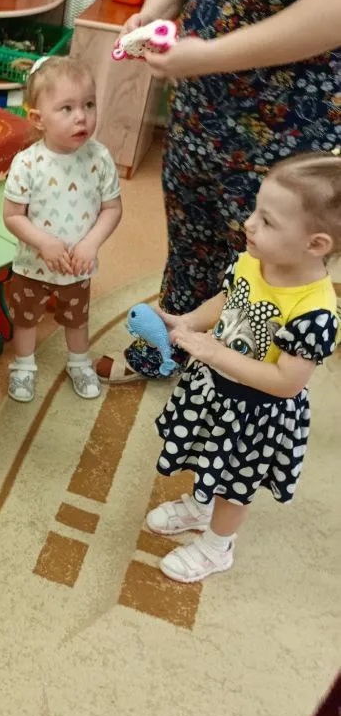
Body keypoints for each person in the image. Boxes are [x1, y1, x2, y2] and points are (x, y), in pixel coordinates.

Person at [97, 0, 341, 386]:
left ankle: (233, 388)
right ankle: (171, 346)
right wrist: (156, 11)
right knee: (192, 237)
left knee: (264, 265)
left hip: (287, 127)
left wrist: (205, 54)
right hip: (203, 106)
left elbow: (334, 8)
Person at [144, 152, 339, 582]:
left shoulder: (316, 311)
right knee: (205, 452)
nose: (249, 224)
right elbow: (228, 299)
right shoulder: (253, 259)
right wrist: (189, 321)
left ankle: (218, 547)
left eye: (267, 221)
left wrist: (216, 354)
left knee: (235, 483)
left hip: (257, 415)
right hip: (217, 389)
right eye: (255, 210)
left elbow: (287, 383)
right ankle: (200, 506)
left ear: (316, 244)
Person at [2, 56, 122, 403]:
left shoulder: (100, 157)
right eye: (67, 108)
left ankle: (79, 362)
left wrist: (91, 244)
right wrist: (43, 243)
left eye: (88, 104)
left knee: (76, 318)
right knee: (26, 318)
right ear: (37, 118)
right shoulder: (27, 163)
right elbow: (12, 216)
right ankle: (23, 365)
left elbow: (112, 208)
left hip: (78, 265)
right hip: (33, 265)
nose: (81, 116)